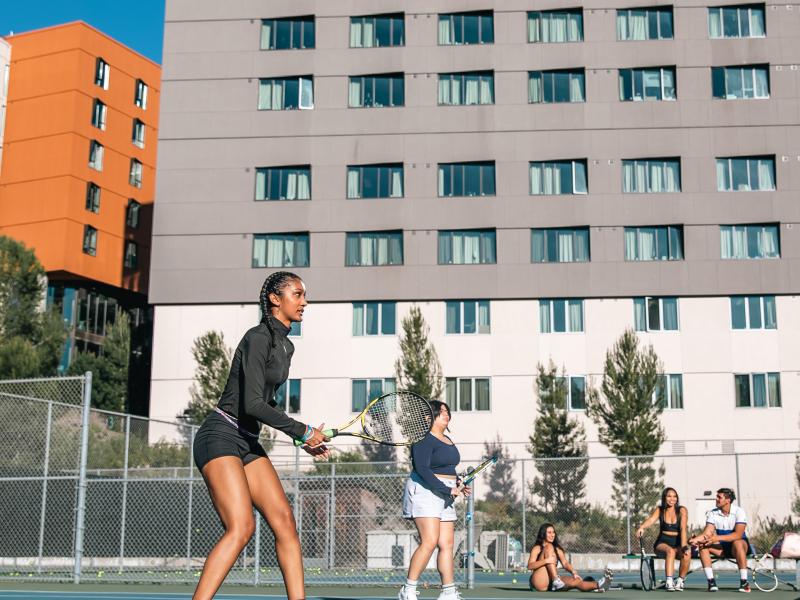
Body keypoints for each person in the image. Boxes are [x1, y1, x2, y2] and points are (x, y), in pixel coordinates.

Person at [191, 271, 330, 600]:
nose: (304, 302)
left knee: (284, 521)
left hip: (248, 440)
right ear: (275, 299)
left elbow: (266, 401)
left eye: (304, 295)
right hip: (221, 434)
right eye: (297, 294)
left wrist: (302, 439)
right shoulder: (257, 337)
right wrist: (303, 431)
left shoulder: (286, 346)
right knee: (241, 528)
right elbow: (251, 403)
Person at [398, 401, 470, 600]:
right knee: (429, 541)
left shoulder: (447, 439)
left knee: (447, 544)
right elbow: (423, 470)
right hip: (424, 491)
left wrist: (458, 484)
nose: (446, 415)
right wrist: (447, 490)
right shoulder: (423, 439)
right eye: (441, 412)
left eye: (448, 411)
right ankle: (408, 590)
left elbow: (447, 468)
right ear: (428, 417)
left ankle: (448, 592)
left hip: (445, 492)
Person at [689, 487, 751, 593]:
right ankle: (711, 582)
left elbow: (738, 534)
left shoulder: (739, 512)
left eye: (719, 497)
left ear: (728, 500)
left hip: (739, 547)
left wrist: (715, 538)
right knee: (703, 546)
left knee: (738, 543)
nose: (716, 499)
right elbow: (707, 533)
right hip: (722, 548)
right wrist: (695, 540)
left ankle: (744, 583)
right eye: (716, 497)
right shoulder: (713, 513)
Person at [527, 523, 613, 593]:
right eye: (549, 532)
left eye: (553, 532)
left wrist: (573, 572)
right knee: (549, 547)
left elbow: (565, 563)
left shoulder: (557, 549)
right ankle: (556, 580)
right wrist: (546, 560)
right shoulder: (537, 548)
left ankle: (599, 585)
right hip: (539, 582)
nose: (552, 535)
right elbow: (530, 566)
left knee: (576, 581)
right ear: (543, 534)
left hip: (551, 583)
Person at [636, 487, 690, 591]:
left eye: (674, 496)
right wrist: (642, 527)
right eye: (669, 496)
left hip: (678, 542)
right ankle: (669, 582)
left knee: (687, 554)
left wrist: (684, 546)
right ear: (664, 498)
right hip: (662, 542)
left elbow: (683, 528)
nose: (672, 499)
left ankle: (680, 581)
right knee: (670, 551)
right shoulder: (660, 509)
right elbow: (651, 520)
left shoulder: (682, 510)